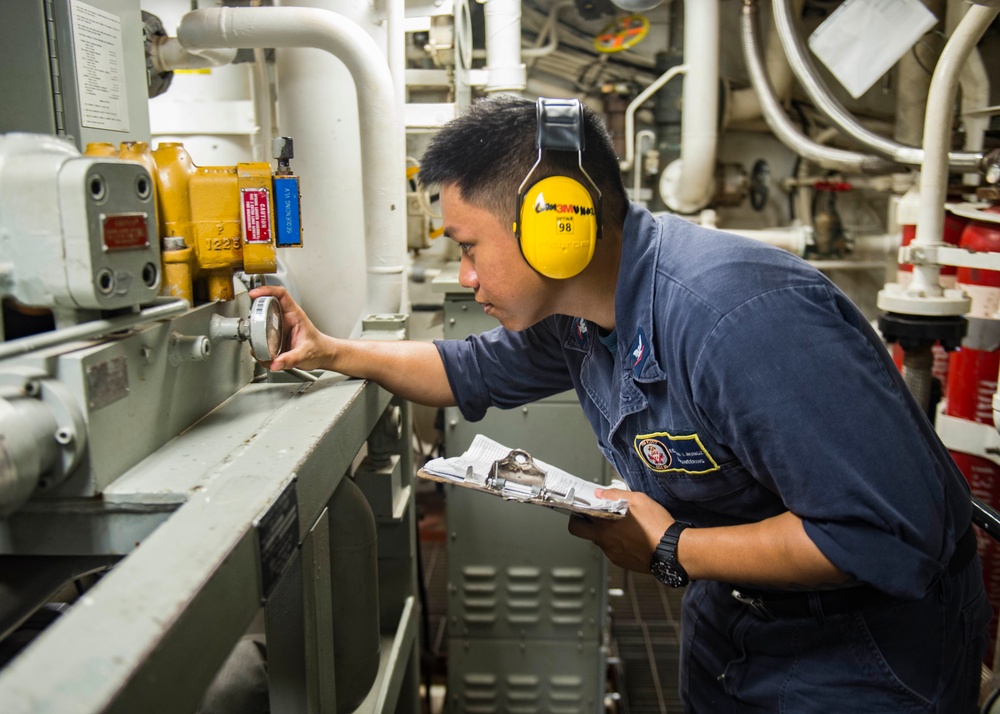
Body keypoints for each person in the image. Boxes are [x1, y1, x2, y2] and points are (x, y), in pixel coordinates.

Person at [250, 93, 990, 712]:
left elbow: (884, 537)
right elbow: (461, 370)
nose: (467, 277)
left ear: (557, 223)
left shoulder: (736, 318)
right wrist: (332, 351)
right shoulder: (580, 317)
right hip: (732, 618)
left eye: (469, 247)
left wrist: (672, 549)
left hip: (860, 655)